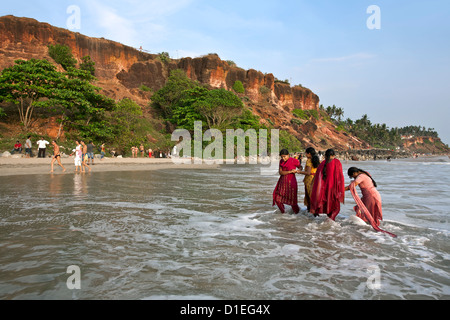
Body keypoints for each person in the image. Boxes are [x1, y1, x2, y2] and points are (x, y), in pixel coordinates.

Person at [345, 167, 397, 237]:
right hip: (371, 195)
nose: (353, 178)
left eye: (352, 177)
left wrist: (339, 189)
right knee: (364, 212)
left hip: (371, 196)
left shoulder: (361, 176)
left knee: (369, 214)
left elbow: (351, 187)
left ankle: (372, 231)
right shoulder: (365, 174)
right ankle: (370, 230)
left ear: (354, 173)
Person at [310, 149, 345, 221]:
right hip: (333, 189)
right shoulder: (337, 162)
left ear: (325, 156)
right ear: (334, 156)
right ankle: (329, 222)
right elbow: (340, 177)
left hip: (324, 190)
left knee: (328, 208)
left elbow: (317, 178)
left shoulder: (322, 163)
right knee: (336, 209)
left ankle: (328, 224)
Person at [273, 149, 302, 214]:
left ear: (288, 155)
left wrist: (297, 171)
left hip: (291, 182)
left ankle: (298, 215)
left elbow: (300, 167)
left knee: (292, 201)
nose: (283, 158)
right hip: (282, 182)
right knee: (277, 198)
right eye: (282, 157)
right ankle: (283, 213)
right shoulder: (281, 161)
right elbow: (280, 172)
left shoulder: (294, 160)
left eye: (284, 156)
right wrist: (290, 171)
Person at [297, 147, 320, 212]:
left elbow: (308, 172)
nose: (305, 155)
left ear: (309, 154)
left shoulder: (309, 161)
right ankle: (315, 211)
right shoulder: (317, 160)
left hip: (309, 179)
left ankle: (310, 211)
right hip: (316, 179)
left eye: (306, 153)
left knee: (309, 196)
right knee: (314, 195)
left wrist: (299, 172)